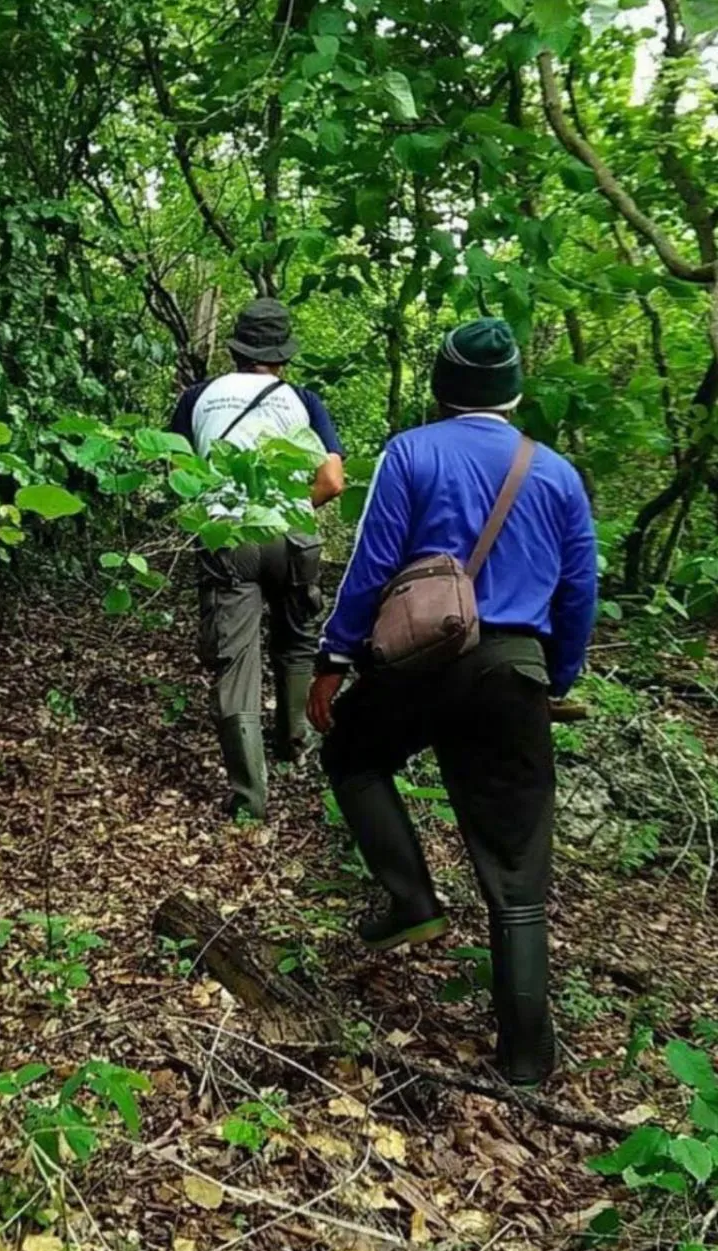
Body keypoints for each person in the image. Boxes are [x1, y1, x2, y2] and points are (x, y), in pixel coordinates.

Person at [307, 318, 597, 1086]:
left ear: (441, 389)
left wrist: (334, 658)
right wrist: (558, 677)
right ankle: (525, 1062)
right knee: (517, 871)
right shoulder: (559, 475)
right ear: (515, 393)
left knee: (352, 752)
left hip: (420, 661)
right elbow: (579, 591)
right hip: (514, 672)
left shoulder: (411, 453)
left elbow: (372, 566)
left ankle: (411, 898)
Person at [171, 297, 345, 819]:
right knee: (296, 641)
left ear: (235, 349)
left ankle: (250, 798)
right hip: (292, 534)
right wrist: (291, 510)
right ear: (283, 355)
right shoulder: (304, 400)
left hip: (228, 536)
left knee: (235, 660)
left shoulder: (198, 398)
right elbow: (332, 480)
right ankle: (294, 747)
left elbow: (178, 474)